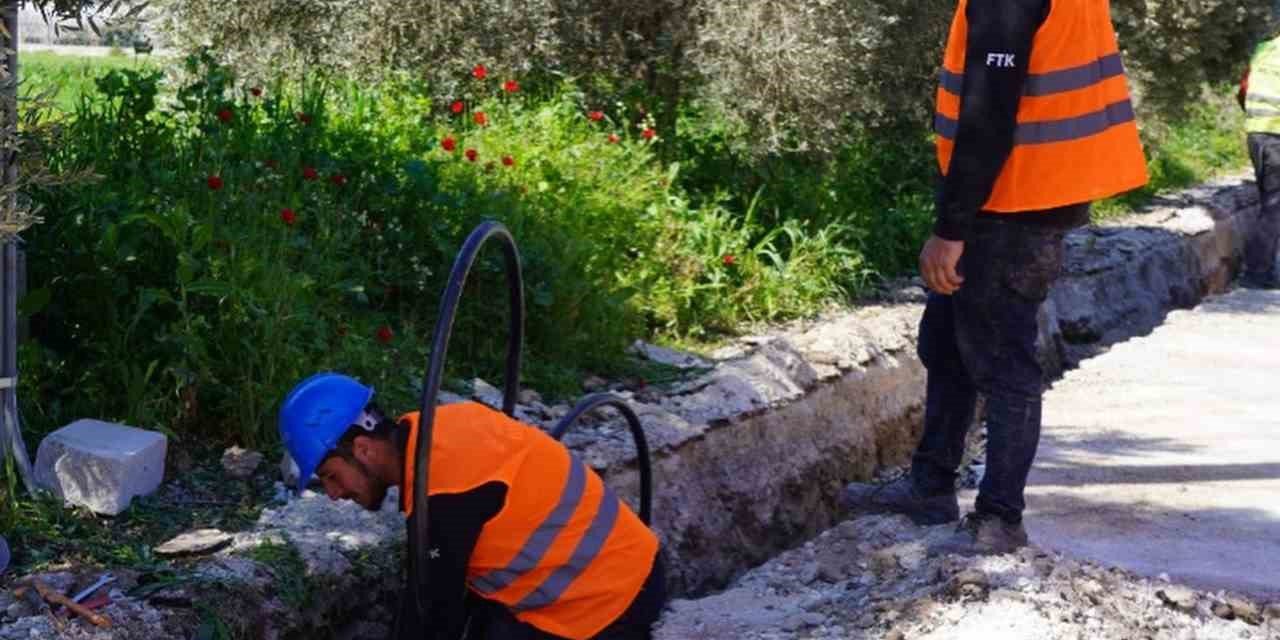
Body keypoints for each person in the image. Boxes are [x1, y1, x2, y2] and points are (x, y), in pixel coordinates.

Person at [843, 0, 1149, 555]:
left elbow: (988, 116)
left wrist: (951, 228)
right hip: (1030, 195)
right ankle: (930, 485)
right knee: (946, 342)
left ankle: (999, 518)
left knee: (1004, 363)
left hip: (1010, 205)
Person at [278, 372, 666, 640]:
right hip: (626, 568)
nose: (333, 493)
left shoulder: (444, 494)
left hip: (607, 607)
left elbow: (432, 615)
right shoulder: (442, 429)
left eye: (331, 476)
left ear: (362, 449)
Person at [1238, 30, 1280, 289]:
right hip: (1276, 134)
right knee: (1275, 207)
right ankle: (1256, 273)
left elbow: (1243, 91)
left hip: (1259, 133)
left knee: (1272, 203)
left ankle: (1261, 269)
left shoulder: (1264, 49)